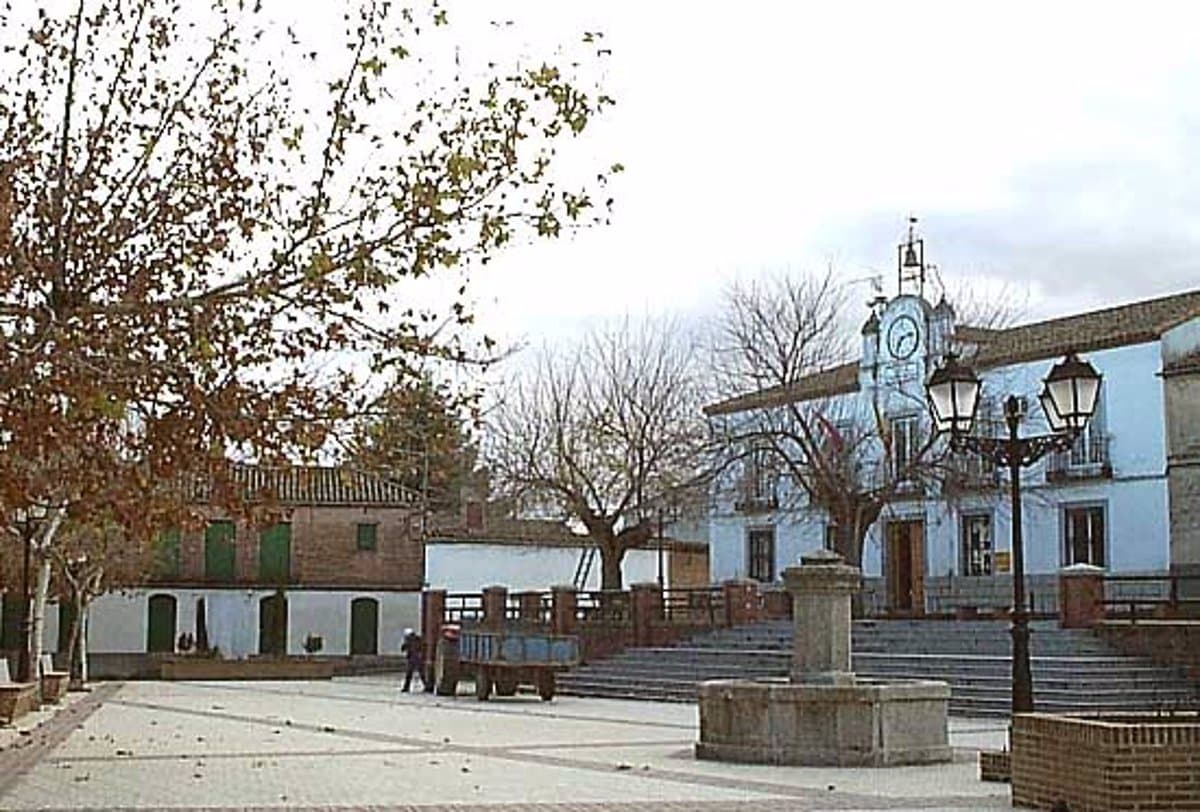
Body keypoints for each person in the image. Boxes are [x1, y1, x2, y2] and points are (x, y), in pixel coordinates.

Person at [401, 628, 424, 692]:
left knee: (409, 674)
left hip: (412, 658)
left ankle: (406, 688)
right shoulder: (418, 639)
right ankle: (427, 685)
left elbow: (403, 648)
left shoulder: (408, 640)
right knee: (421, 673)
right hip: (418, 658)